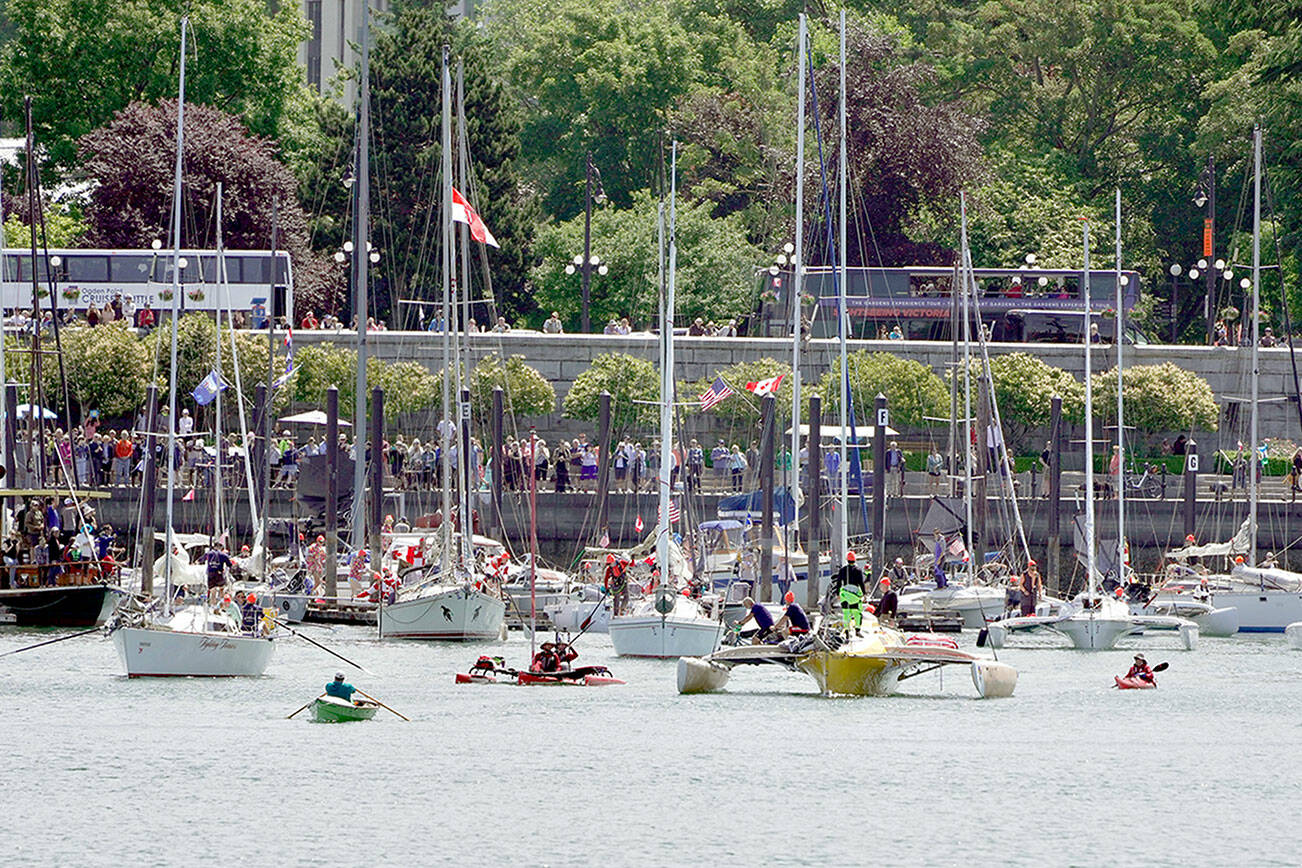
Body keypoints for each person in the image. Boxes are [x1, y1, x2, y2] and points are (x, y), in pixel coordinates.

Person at [831, 551, 867, 636]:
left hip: (845, 594)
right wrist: (864, 594)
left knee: (846, 614)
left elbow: (839, 582)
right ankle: (857, 630)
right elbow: (861, 583)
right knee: (856, 613)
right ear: (855, 560)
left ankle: (847, 632)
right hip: (854, 595)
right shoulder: (858, 570)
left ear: (847, 560)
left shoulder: (843, 570)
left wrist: (838, 593)